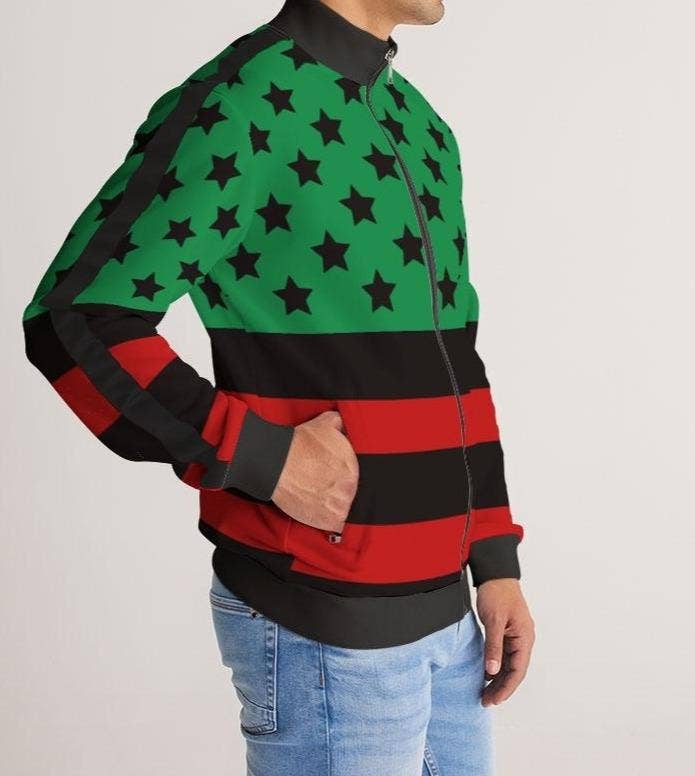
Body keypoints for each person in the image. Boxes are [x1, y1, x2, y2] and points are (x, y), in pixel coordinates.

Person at [22, 0, 535, 772]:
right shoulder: (240, 103)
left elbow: (455, 363)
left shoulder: (422, 126)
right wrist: (262, 456)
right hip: (323, 623)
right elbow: (75, 319)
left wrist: (494, 559)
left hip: (451, 621)